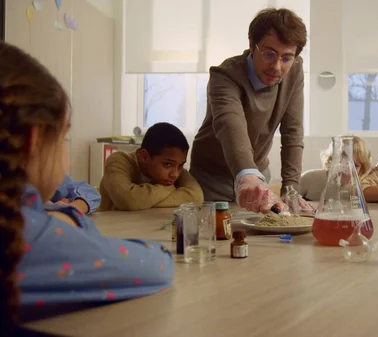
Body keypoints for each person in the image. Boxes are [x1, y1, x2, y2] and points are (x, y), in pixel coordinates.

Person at [0, 41, 174, 333]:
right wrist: (70, 219)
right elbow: (157, 264)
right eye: (65, 138)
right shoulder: (24, 234)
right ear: (34, 140)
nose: (174, 173)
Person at [189, 8, 312, 213]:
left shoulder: (295, 70)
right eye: (269, 53)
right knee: (217, 237)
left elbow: (293, 132)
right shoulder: (224, 76)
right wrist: (247, 175)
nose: (277, 67)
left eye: (286, 58)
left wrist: (291, 189)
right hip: (212, 179)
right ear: (251, 46)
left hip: (257, 174)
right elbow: (230, 124)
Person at [98, 122, 203, 211]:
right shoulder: (118, 160)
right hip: (109, 229)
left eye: (181, 165)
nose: (175, 174)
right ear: (144, 156)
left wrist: (143, 202)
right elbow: (128, 200)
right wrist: (169, 189)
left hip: (143, 226)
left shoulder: (174, 167)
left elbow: (196, 197)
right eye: (167, 164)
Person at [299, 135, 372, 201]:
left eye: (355, 166)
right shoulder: (309, 178)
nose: (347, 171)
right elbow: (289, 198)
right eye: (343, 163)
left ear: (362, 168)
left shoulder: (359, 189)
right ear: (331, 159)